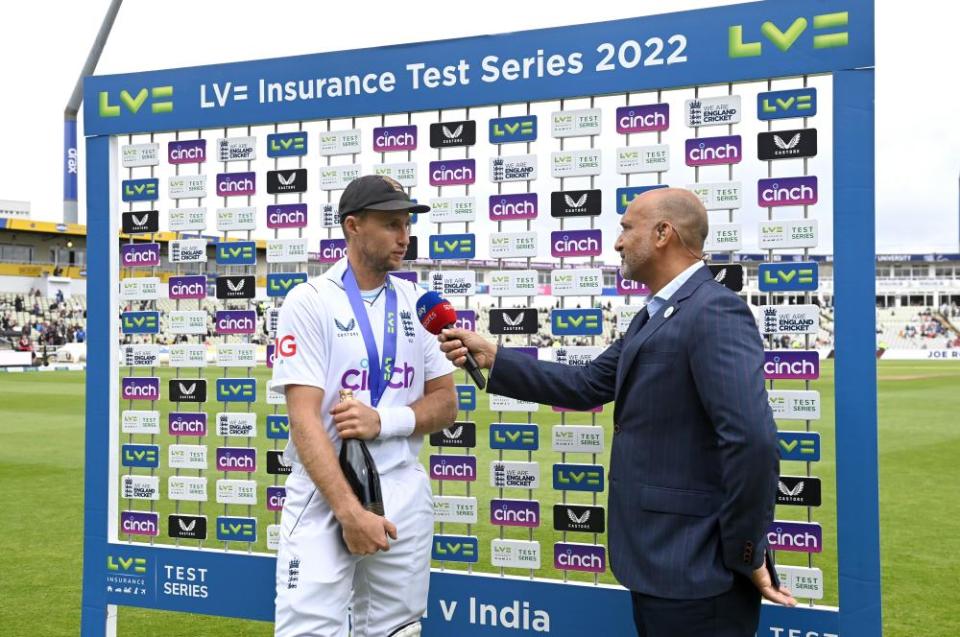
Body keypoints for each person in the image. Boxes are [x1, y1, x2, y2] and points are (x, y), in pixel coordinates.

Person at [440, 188, 795, 637]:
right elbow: (586, 384)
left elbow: (753, 441)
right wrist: (495, 355)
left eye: (628, 228)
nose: (618, 242)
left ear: (664, 233)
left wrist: (745, 551)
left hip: (699, 572)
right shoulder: (653, 315)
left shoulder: (714, 310)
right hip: (657, 564)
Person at [270, 175, 458, 637]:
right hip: (326, 492)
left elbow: (446, 404)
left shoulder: (418, 303)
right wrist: (350, 512)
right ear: (353, 226)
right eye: (392, 224)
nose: (404, 236)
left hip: (402, 487)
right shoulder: (309, 300)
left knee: (397, 630)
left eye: (407, 224)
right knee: (310, 631)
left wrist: (384, 422)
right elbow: (303, 420)